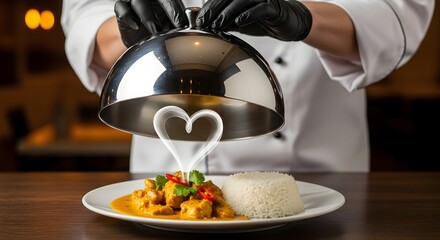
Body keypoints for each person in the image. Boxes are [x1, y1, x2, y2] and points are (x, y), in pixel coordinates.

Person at [61, 0, 434, 174]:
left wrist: (303, 18)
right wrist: (127, 26)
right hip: (163, 176)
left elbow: (397, 16)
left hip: (316, 179)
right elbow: (84, 20)